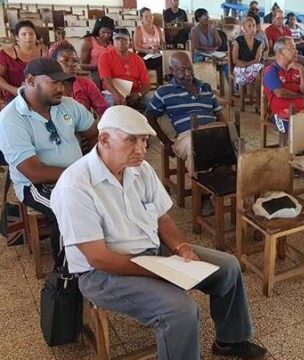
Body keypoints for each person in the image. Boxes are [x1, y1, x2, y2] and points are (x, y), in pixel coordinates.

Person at [51, 105, 266, 360]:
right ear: (104, 139)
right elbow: (98, 258)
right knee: (180, 311)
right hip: (102, 274)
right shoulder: (75, 185)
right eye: (131, 140)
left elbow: (161, 216)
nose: (141, 150)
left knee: (228, 267)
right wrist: (158, 270)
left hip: (152, 252)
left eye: (144, 140)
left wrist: (181, 248)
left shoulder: (140, 169)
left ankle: (229, 340)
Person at [0, 58, 98, 263]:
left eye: (62, 82)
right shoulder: (11, 119)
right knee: (68, 208)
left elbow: (95, 133)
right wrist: (78, 173)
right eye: (53, 82)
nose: (61, 88)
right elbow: (33, 171)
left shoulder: (67, 105)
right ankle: (66, 273)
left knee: (110, 198)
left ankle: (101, 256)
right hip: (36, 185)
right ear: (30, 80)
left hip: (76, 176)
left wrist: (91, 159)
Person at [146, 52, 234, 175]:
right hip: (187, 135)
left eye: (190, 69)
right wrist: (165, 142)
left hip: (213, 130)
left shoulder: (205, 87)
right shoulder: (164, 92)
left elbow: (218, 113)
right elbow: (149, 117)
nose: (188, 74)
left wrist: (226, 131)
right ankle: (203, 188)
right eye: (182, 70)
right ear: (172, 70)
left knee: (234, 145)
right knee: (198, 147)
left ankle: (225, 180)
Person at [262, 37, 304, 133]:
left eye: (295, 48)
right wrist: (300, 95)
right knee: (299, 131)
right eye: (291, 48)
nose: (295, 51)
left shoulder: (297, 68)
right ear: (280, 53)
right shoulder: (271, 70)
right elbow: (280, 93)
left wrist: (301, 69)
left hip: (301, 112)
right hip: (281, 114)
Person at [98, 28, 152, 110]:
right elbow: (106, 80)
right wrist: (116, 94)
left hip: (134, 94)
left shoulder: (137, 59)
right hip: (112, 92)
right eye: (117, 39)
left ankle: (145, 122)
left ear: (129, 41)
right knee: (111, 105)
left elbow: (146, 84)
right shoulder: (105, 57)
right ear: (113, 41)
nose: (120, 42)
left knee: (155, 102)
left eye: (124, 39)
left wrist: (138, 94)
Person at [52, 43, 108, 117]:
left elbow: (103, 110)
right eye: (65, 60)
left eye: (75, 60)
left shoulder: (86, 83)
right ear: (53, 63)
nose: (72, 64)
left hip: (85, 127)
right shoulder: (49, 87)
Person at [0, 21, 47, 103]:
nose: (28, 37)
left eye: (31, 34)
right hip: (14, 97)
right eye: (24, 34)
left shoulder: (44, 52)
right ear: (17, 37)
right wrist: (14, 90)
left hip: (39, 96)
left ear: (36, 36)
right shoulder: (6, 54)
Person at [232, 17, 264, 100]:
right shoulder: (238, 41)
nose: (252, 28)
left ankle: (259, 100)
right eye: (249, 26)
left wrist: (249, 65)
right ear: (243, 28)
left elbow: (257, 60)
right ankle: (258, 102)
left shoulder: (259, 43)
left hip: (253, 68)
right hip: (240, 68)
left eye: (254, 25)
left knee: (260, 73)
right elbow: (235, 60)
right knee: (259, 73)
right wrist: (246, 65)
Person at [79, 16, 115, 87]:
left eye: (109, 33)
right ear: (97, 30)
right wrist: (99, 66)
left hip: (112, 71)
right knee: (98, 77)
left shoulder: (114, 41)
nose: (106, 35)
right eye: (103, 32)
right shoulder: (89, 41)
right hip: (95, 71)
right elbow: (82, 65)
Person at [134, 7, 165, 85]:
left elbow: (162, 44)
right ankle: (146, 84)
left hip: (155, 53)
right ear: (141, 18)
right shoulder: (139, 29)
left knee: (163, 60)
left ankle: (160, 84)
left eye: (151, 16)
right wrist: (147, 51)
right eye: (146, 16)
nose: (149, 18)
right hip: (143, 54)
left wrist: (159, 47)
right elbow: (136, 47)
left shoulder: (157, 29)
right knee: (158, 61)